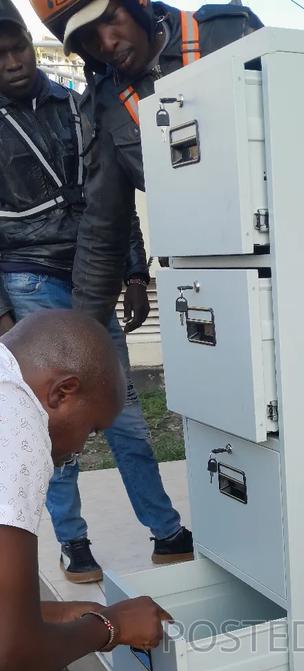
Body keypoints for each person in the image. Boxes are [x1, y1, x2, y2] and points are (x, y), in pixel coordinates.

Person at [0, 0, 193, 584]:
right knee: (55, 420)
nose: (10, 61)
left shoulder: (77, 102)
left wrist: (134, 272)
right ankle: (74, 543)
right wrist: (5, 314)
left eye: (16, 47)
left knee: (122, 413)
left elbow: (108, 195)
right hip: (28, 278)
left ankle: (165, 532)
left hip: (92, 274)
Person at [30, 0, 262, 326]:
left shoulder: (226, 32)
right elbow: (103, 231)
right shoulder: (105, 106)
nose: (106, 42)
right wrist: (83, 336)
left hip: (291, 251)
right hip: (199, 277)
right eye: (88, 37)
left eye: (111, 18)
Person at [0, 310, 171, 671]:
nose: (80, 445)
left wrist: (49, 615)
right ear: (62, 391)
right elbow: (9, 657)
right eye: (92, 429)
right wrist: (110, 627)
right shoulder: (15, 426)